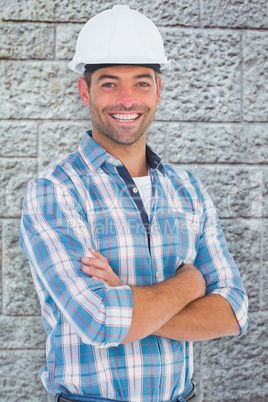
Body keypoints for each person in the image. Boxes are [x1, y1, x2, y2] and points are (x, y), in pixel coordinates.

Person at [20, 5, 248, 402]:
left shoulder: (188, 189)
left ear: (158, 90)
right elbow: (100, 320)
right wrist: (190, 283)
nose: (127, 99)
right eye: (109, 83)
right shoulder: (55, 190)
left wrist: (126, 294)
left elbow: (233, 313)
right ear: (84, 90)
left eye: (141, 83)